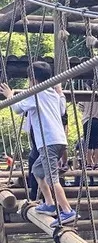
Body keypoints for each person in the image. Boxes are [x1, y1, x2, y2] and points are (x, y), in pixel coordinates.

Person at [0, 62, 75, 227]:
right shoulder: (53, 94)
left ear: (33, 79)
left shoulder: (35, 94)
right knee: (37, 171)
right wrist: (60, 90)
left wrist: (10, 95)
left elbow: (18, 109)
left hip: (48, 142)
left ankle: (68, 211)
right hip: (59, 140)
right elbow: (62, 109)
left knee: (52, 178)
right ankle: (49, 204)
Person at [78, 80, 98, 170]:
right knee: (97, 143)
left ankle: (88, 163)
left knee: (88, 143)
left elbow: (80, 108)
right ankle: (96, 164)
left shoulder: (85, 95)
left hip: (87, 120)